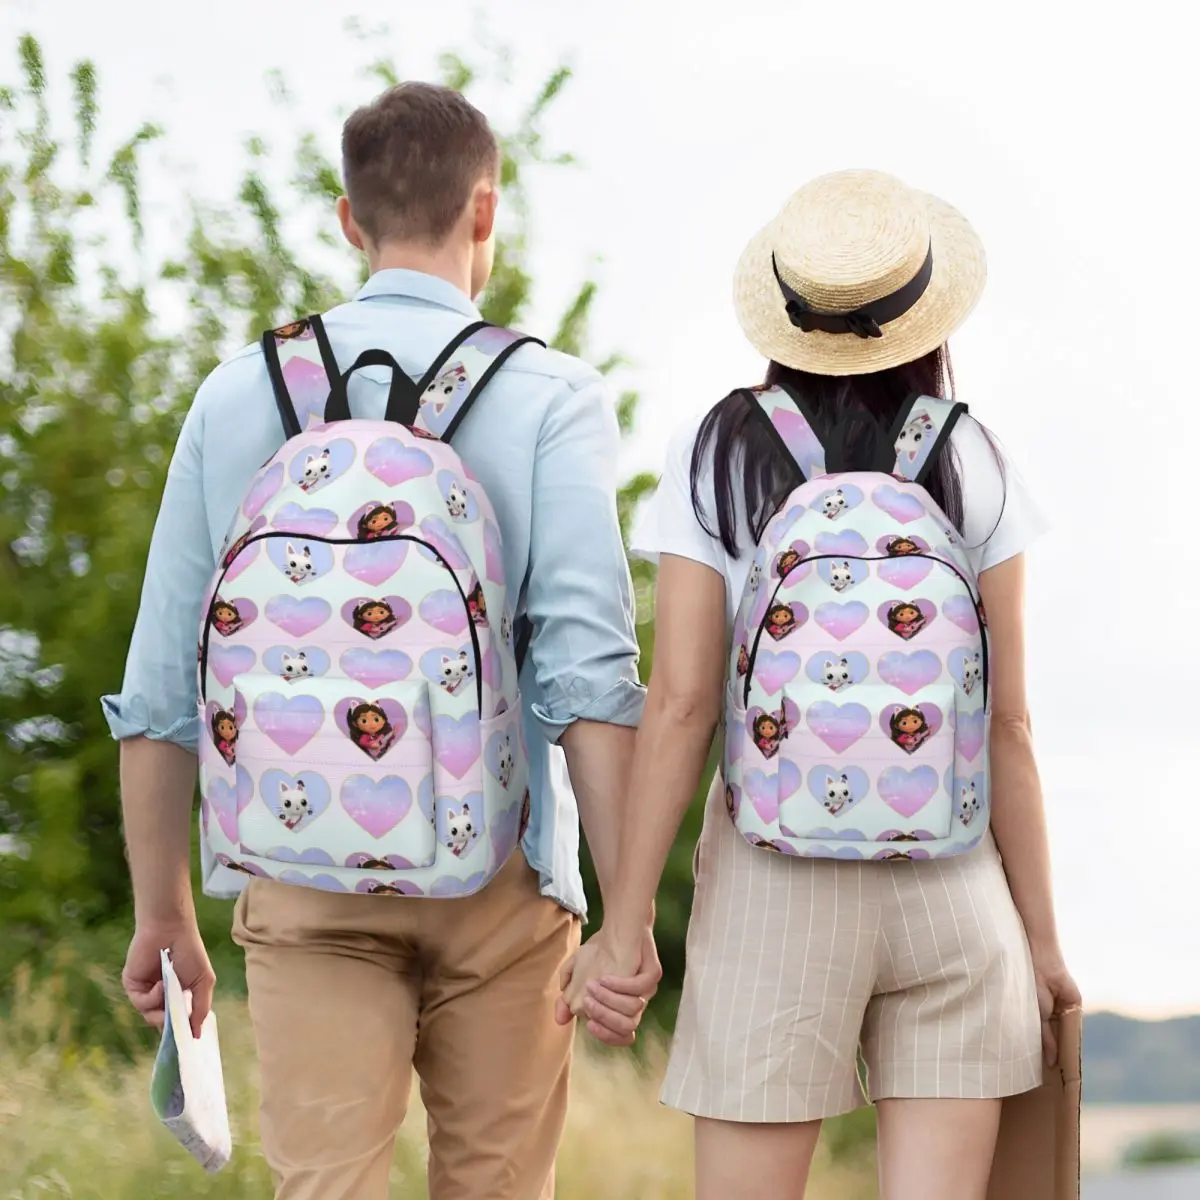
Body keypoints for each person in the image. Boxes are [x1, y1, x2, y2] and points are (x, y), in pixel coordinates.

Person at [103, 81, 660, 1200]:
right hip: (501, 873)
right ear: (486, 213)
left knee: (326, 1186)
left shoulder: (236, 394)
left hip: (300, 873)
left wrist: (163, 912)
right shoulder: (550, 395)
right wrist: (627, 915)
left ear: (349, 221)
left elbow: (164, 682)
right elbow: (590, 678)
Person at [560, 169, 1080, 1200]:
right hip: (955, 885)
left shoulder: (717, 450)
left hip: (773, 883)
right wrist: (1043, 943)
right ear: (924, 314)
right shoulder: (973, 456)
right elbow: (1010, 724)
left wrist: (623, 928)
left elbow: (681, 705)